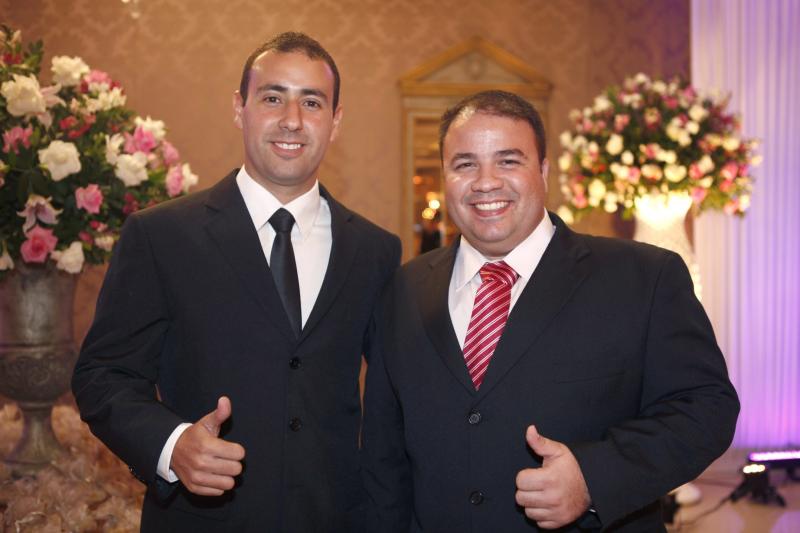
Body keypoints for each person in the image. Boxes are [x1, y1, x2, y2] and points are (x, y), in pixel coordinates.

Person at [361, 90, 739, 532]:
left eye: (508, 161)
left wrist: (594, 477)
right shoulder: (404, 289)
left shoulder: (643, 278)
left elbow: (705, 408)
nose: (486, 182)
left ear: (542, 171)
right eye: (465, 164)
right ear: (445, 176)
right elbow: (384, 459)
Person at [72, 32, 400, 533]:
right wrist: (172, 444)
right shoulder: (161, 236)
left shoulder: (375, 251)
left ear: (335, 122)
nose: (292, 119)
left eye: (312, 102)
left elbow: (394, 402)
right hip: (199, 520)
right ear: (239, 108)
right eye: (272, 98)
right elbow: (103, 375)